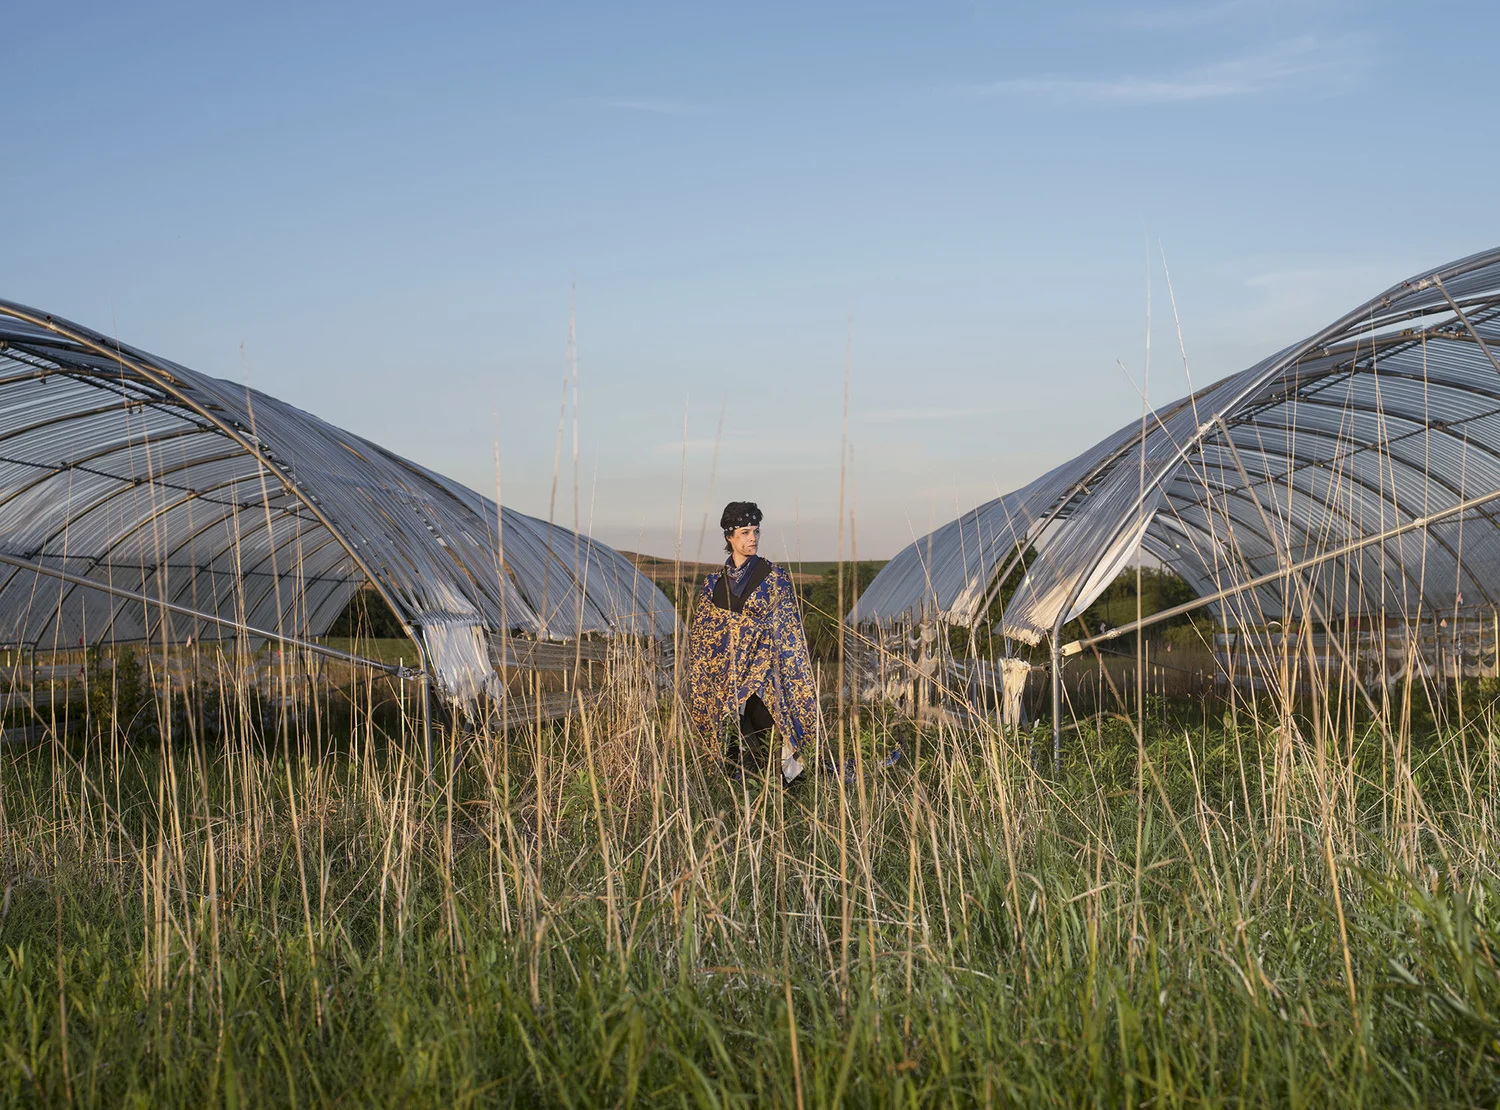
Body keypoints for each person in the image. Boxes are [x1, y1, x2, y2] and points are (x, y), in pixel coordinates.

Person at [687, 501, 817, 785]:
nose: (753, 538)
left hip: (765, 676)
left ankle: (784, 793)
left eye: (756, 531)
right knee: (731, 741)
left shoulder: (775, 579)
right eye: (745, 532)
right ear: (729, 537)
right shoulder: (712, 585)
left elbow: (789, 632)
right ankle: (733, 794)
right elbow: (703, 635)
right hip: (725, 679)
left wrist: (753, 636)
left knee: (770, 736)